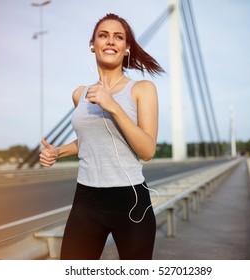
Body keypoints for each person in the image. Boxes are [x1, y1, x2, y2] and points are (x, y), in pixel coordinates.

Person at [39, 13, 164, 260]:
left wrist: (113, 106)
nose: (110, 41)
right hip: (87, 200)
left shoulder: (142, 89)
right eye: (103, 36)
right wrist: (58, 151)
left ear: (126, 48)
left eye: (118, 37)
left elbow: (147, 151)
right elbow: (89, 140)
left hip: (131, 201)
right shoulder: (80, 94)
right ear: (92, 44)